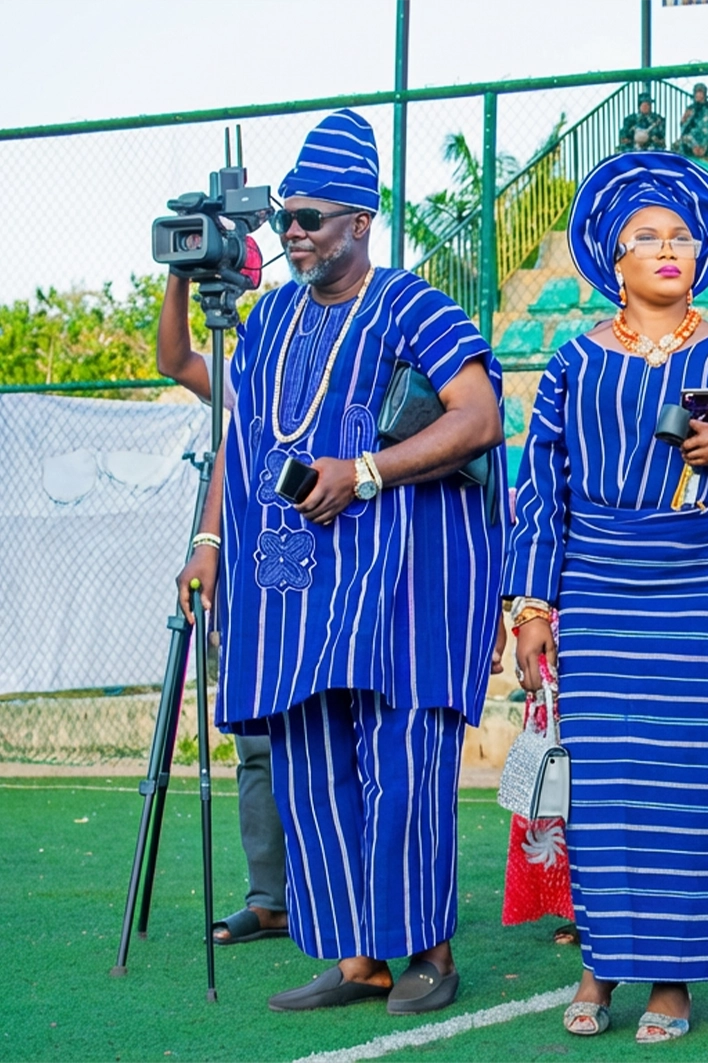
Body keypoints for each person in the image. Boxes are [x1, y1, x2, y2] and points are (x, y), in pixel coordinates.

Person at [173, 109, 506, 1014]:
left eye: (312, 216)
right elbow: (239, 439)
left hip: (403, 582)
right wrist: (209, 541)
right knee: (311, 772)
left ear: (361, 222)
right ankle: (358, 956)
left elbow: (479, 418)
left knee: (403, 772)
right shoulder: (272, 314)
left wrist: (362, 471)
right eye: (286, 216)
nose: (293, 231)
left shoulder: (413, 304)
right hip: (298, 590)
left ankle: (428, 953)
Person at [506, 152, 708, 1041]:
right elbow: (542, 491)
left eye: (681, 235)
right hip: (601, 589)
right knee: (609, 785)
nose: (667, 248)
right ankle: (601, 962)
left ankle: (675, 978)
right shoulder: (569, 364)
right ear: (614, 258)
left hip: (703, 587)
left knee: (692, 781)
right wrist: (533, 609)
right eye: (647, 236)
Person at [154, 231, 289, 954]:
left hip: (307, 562)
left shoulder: (306, 354)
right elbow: (175, 358)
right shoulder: (243, 372)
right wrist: (181, 275)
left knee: (321, 736)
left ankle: (342, 898)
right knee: (255, 739)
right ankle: (270, 899)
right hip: (243, 570)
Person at [675, 84, 708, 159]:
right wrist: (683, 120)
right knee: (678, 145)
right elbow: (685, 128)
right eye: (696, 92)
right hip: (694, 141)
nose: (698, 94)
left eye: (701, 92)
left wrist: (704, 146)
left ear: (704, 94)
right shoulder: (691, 108)